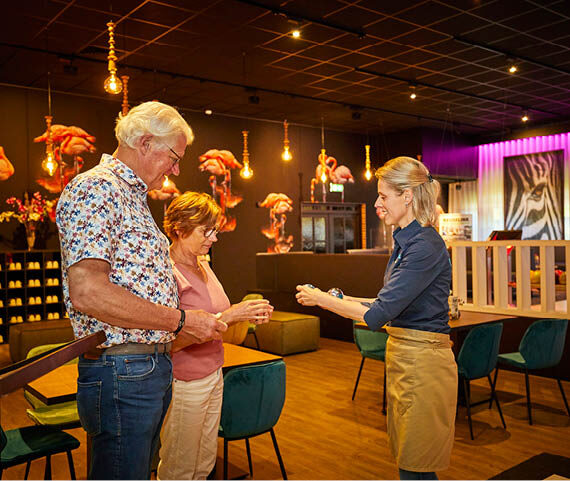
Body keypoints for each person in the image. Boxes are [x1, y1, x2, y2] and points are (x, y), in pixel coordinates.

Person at [56, 101, 228, 480]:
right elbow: (88, 292)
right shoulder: (98, 188)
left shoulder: (132, 197)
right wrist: (181, 320)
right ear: (146, 142)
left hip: (143, 366)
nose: (177, 169)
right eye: (174, 157)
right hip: (124, 368)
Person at [296, 156, 457, 480]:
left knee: (417, 467)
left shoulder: (424, 245)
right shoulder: (405, 243)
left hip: (423, 363)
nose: (377, 203)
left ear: (407, 196)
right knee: (411, 463)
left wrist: (322, 301)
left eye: (383, 196)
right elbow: (387, 304)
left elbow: (377, 315)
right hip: (409, 358)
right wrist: (343, 299)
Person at [157, 191, 273, 480]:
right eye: (206, 230)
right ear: (180, 230)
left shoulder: (204, 264)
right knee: (179, 467)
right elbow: (166, 342)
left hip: (213, 375)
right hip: (185, 382)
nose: (214, 238)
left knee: (205, 461)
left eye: (215, 230)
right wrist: (230, 316)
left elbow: (217, 320)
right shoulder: (165, 272)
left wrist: (242, 316)